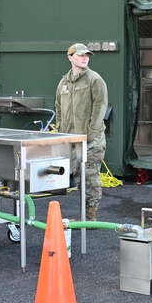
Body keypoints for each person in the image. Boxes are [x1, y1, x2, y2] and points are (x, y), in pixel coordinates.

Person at [54, 43, 109, 221]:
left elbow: (100, 107)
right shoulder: (64, 81)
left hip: (91, 140)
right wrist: (62, 132)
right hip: (72, 139)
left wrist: (91, 133)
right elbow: (59, 108)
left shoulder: (94, 79)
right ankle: (84, 216)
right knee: (79, 177)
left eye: (87, 55)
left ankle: (91, 216)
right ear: (70, 57)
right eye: (80, 55)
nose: (85, 58)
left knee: (90, 178)